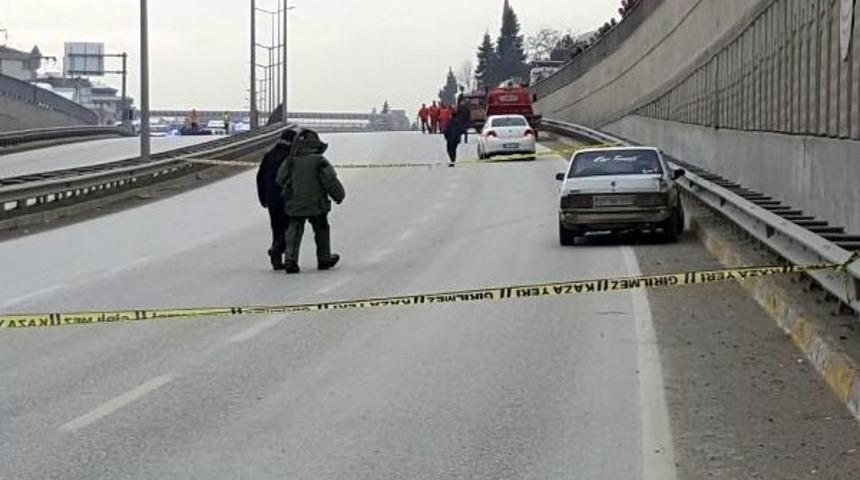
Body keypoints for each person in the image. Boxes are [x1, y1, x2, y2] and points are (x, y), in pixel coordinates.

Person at [276, 129, 346, 274]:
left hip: (295, 204)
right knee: (321, 230)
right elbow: (329, 180)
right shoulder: (319, 161)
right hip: (317, 204)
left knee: (294, 232)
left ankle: (290, 260)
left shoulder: (291, 160)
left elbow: (280, 179)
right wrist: (339, 195)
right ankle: (324, 259)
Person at [257, 129, 296, 270]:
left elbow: (260, 177)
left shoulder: (269, 155)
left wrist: (263, 197)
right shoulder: (290, 156)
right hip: (286, 198)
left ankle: (277, 260)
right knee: (290, 228)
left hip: (271, 199)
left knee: (276, 228)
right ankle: (278, 251)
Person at [445, 99, 470, 167]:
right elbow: (447, 128)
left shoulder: (460, 116)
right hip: (450, 137)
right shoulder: (451, 118)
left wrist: (463, 130)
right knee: (449, 150)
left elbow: (464, 123)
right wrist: (446, 135)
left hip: (455, 137)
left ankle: (452, 161)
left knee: (452, 149)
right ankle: (452, 160)